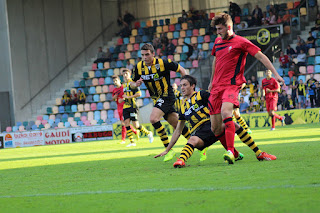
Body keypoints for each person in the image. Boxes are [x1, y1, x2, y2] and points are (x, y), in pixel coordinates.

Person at [208, 13, 283, 163]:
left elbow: (261, 56)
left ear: (229, 27)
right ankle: (256, 152)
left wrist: (275, 74)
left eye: (220, 29)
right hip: (216, 87)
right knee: (216, 129)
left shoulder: (241, 42)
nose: (217, 32)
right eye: (216, 29)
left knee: (226, 112)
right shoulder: (217, 41)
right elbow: (216, 61)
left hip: (232, 85)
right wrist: (211, 81)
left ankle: (230, 151)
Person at [155, 75, 276, 167]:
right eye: (181, 85)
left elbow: (217, 101)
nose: (182, 88)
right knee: (192, 139)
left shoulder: (201, 95)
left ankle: (259, 153)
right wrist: (167, 149)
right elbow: (178, 130)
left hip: (213, 124)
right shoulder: (181, 106)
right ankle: (181, 160)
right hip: (200, 133)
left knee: (233, 125)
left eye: (185, 85)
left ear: (192, 86)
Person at [130, 43, 191, 161]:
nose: (145, 57)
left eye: (147, 54)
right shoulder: (138, 67)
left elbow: (182, 70)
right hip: (156, 99)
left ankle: (169, 150)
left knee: (153, 118)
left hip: (167, 96)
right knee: (177, 125)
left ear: (153, 54)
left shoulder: (163, 63)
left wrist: (186, 88)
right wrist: (135, 84)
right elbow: (132, 83)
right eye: (142, 55)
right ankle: (198, 144)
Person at [121, 69, 153, 147]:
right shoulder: (124, 85)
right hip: (125, 106)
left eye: (126, 74)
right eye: (124, 74)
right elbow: (125, 96)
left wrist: (129, 97)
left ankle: (149, 133)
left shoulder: (132, 83)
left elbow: (139, 94)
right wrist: (122, 99)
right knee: (126, 123)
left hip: (133, 106)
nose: (125, 75)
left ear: (130, 74)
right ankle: (132, 142)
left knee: (136, 125)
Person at [112, 75, 138, 144]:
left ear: (119, 80)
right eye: (114, 81)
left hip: (125, 106)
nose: (115, 82)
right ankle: (135, 132)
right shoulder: (114, 90)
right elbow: (114, 99)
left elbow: (127, 95)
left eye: (116, 80)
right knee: (125, 123)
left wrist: (124, 99)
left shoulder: (124, 87)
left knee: (124, 123)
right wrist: (114, 97)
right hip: (119, 108)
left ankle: (123, 139)